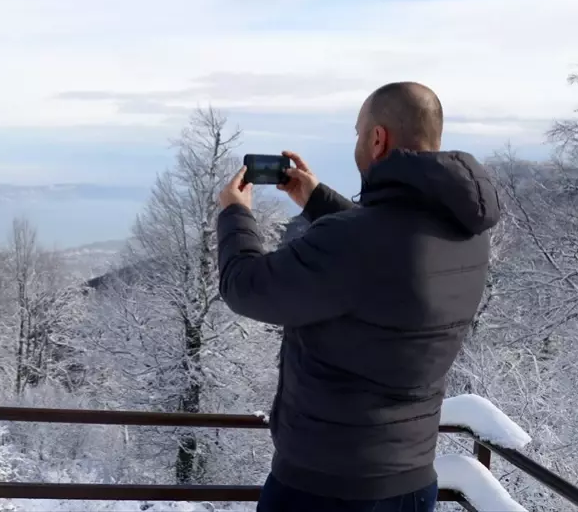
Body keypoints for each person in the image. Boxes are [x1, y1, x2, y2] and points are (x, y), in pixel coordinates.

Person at [215, 82, 502, 512]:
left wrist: (234, 213)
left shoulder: (355, 242)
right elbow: (391, 251)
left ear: (377, 138)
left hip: (325, 485)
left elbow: (246, 286)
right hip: (412, 482)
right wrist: (316, 200)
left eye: (356, 133)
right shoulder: (468, 233)